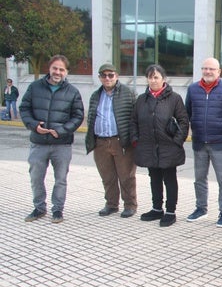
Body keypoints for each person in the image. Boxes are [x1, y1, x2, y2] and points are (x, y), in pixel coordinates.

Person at [20, 55, 84, 223]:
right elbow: (24, 109)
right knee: (36, 177)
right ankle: (39, 208)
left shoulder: (72, 92)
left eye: (61, 69)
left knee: (60, 179)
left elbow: (78, 117)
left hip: (61, 145)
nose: (57, 72)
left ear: (66, 72)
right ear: (49, 69)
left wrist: (62, 130)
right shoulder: (34, 88)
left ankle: (58, 210)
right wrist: (34, 125)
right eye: (55, 68)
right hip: (38, 143)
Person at [130, 64, 189, 227]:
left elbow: (184, 121)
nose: (153, 80)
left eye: (156, 77)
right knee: (154, 178)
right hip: (149, 147)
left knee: (170, 179)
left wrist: (177, 140)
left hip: (168, 147)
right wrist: (136, 139)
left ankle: (170, 211)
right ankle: (157, 208)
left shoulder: (174, 98)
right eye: (150, 77)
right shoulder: (142, 100)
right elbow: (133, 121)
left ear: (163, 79)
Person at [185, 58, 222, 228]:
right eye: (205, 68)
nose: (208, 71)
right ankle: (200, 208)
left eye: (211, 69)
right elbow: (188, 112)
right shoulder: (192, 89)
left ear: (219, 71)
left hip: (220, 143)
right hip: (199, 142)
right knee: (199, 178)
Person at [86, 63, 137, 218]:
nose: (107, 78)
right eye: (103, 75)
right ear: (100, 77)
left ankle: (130, 205)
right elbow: (91, 118)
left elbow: (134, 118)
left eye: (110, 75)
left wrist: (133, 140)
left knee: (126, 176)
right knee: (107, 176)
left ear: (117, 76)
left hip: (121, 141)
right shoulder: (96, 95)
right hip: (101, 142)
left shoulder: (128, 93)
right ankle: (111, 204)